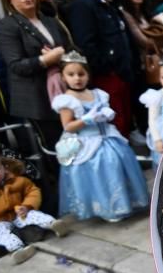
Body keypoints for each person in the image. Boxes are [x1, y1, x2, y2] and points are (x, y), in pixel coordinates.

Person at [51, 51, 148, 221]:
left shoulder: (98, 94)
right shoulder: (66, 100)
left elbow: (107, 116)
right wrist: (86, 120)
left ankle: (125, 203)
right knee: (100, 172)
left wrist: (106, 115)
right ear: (63, 78)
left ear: (88, 74)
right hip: (87, 142)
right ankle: (108, 208)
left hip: (108, 138)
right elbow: (68, 126)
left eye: (81, 74)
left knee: (117, 165)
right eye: (71, 75)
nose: (77, 78)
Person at [0, 0, 70, 152]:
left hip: (63, 88)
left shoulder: (49, 20)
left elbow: (69, 48)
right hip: (37, 98)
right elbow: (16, 65)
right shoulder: (7, 26)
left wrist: (63, 57)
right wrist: (46, 59)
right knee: (58, 148)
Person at [67, 0, 135, 136]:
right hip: (106, 75)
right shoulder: (82, 5)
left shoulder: (108, 2)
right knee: (115, 121)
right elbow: (86, 43)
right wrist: (107, 67)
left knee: (124, 117)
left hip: (121, 72)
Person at [0, 149, 68, 264]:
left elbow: (33, 191)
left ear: (4, 168)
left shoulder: (17, 180)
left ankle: (53, 224)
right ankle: (17, 249)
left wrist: (27, 206)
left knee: (33, 215)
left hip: (17, 213)